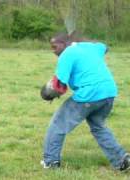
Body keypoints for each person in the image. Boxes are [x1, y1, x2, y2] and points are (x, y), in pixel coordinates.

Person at [41, 33, 130, 171]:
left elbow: (59, 86)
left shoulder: (67, 53)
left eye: (55, 46)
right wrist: (83, 44)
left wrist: (47, 94)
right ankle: (121, 160)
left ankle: (51, 162)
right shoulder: (90, 47)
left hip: (89, 94)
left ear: (64, 44)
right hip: (109, 93)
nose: (53, 50)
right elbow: (104, 47)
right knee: (99, 127)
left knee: (58, 125)